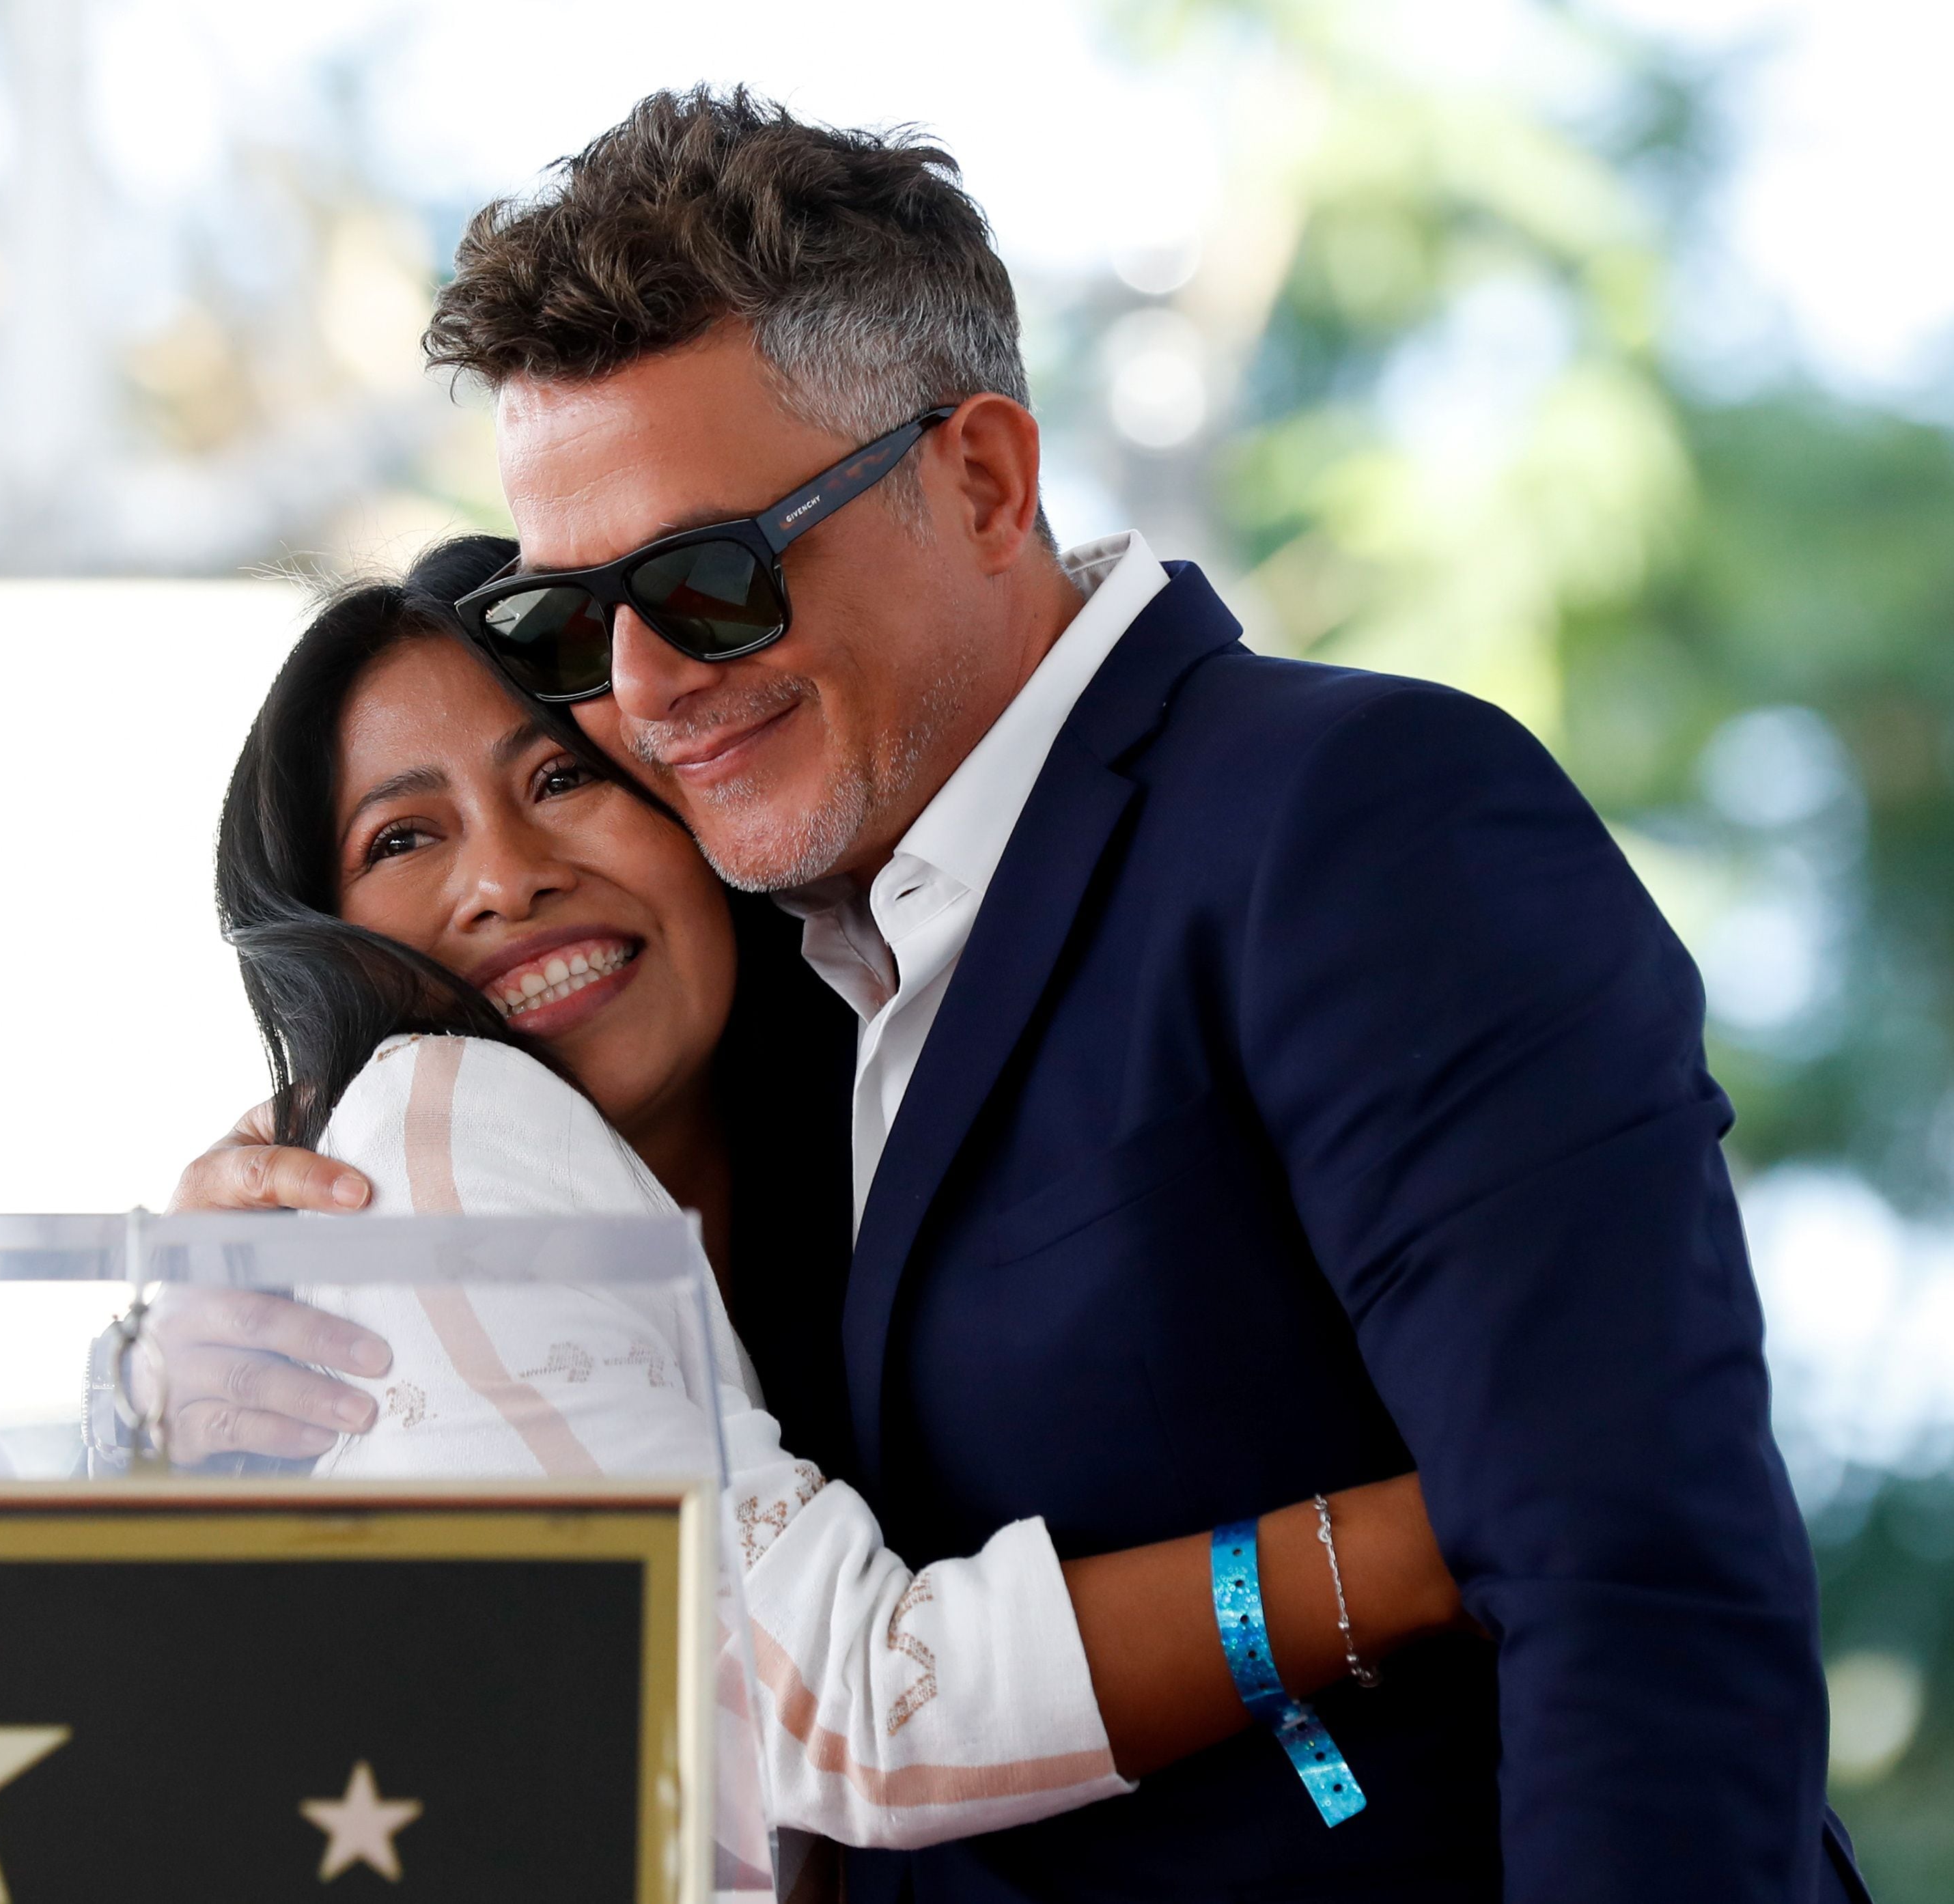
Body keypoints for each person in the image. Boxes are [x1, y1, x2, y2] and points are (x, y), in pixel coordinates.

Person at [173, 89, 1864, 1904]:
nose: (646, 686)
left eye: (714, 578)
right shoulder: (809, 995)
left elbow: (1634, 1569)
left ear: (982, 478)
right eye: (569, 623)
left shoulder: (1356, 814)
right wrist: (203, 1360)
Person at [141, 543, 1464, 1886]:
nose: (507, 875)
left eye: (563, 776)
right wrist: (1458, 1533)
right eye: (402, 836)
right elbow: (843, 1708)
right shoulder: (427, 1124)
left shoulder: (899, 1123)